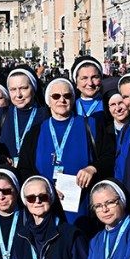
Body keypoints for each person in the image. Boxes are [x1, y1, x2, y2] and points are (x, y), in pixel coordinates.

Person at [17, 78, 113, 223]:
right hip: (45, 206)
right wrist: (43, 186)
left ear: (73, 99)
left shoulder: (91, 126)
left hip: (82, 207)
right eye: (56, 96)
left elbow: (110, 156)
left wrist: (93, 168)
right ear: (48, 101)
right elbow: (24, 169)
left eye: (67, 96)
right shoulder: (35, 132)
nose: (62, 100)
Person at [0, 68, 46, 167]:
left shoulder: (45, 114)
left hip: (35, 176)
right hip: (9, 175)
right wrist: (0, 156)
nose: (18, 95)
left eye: (24, 88)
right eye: (13, 89)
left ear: (33, 88)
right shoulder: (2, 114)